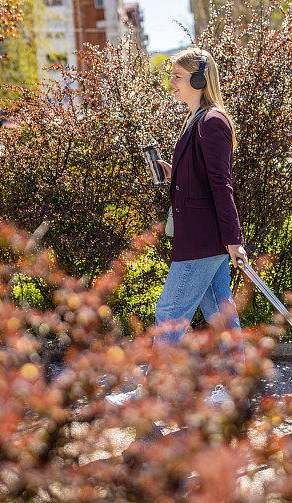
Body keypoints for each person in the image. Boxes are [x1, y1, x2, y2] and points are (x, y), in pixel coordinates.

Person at [106, 47, 248, 406]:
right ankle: (236, 388)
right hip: (201, 237)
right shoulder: (195, 119)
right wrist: (174, 175)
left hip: (204, 239)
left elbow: (221, 183)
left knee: (169, 313)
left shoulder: (212, 121)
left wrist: (234, 239)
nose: (171, 83)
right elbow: (201, 179)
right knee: (220, 312)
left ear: (199, 81)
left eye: (177, 77)